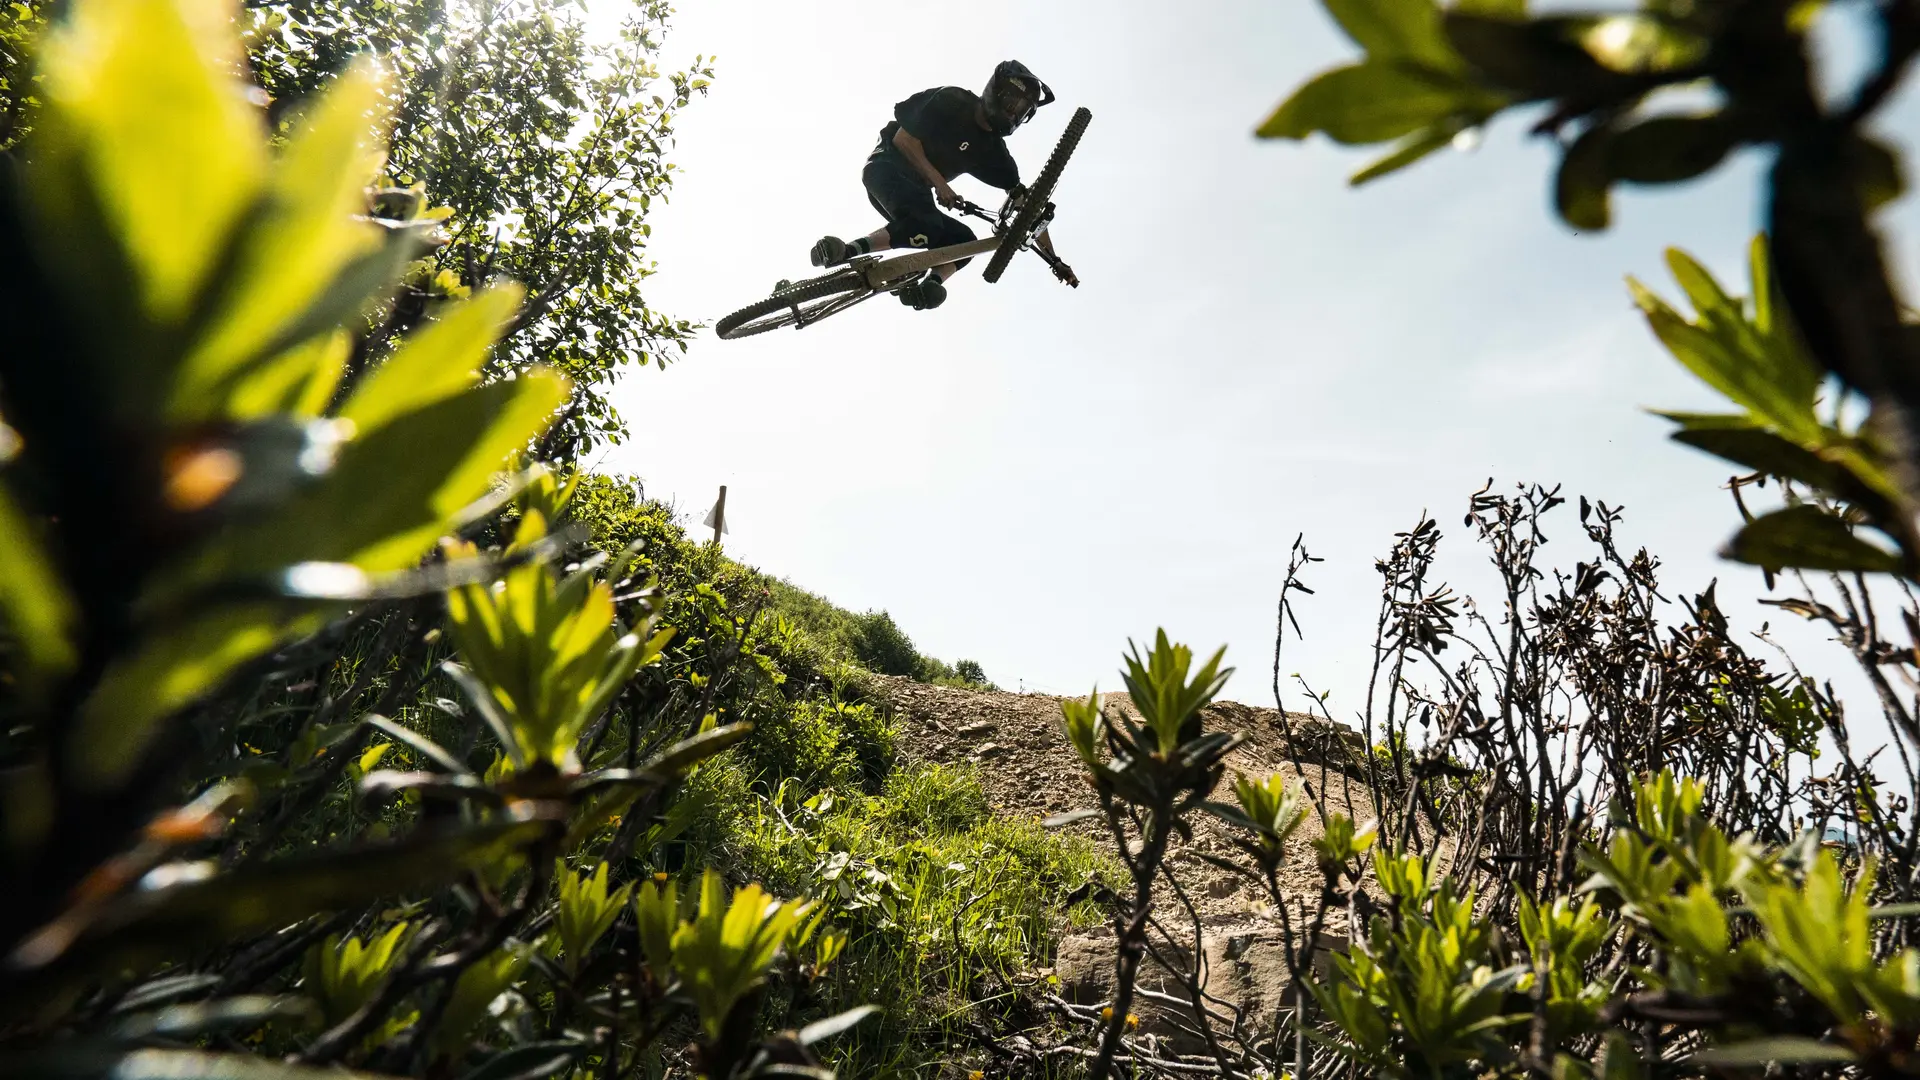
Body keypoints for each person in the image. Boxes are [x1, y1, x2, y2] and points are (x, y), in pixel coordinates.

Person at [809, 60, 1077, 312]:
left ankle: (929, 286)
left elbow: (1027, 206)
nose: (1012, 113)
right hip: (886, 168)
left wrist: (1055, 260)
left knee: (964, 242)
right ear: (996, 91)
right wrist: (941, 186)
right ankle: (847, 250)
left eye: (1021, 111)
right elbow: (905, 140)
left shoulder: (994, 152)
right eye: (1011, 102)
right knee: (925, 221)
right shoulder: (952, 100)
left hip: (918, 195)